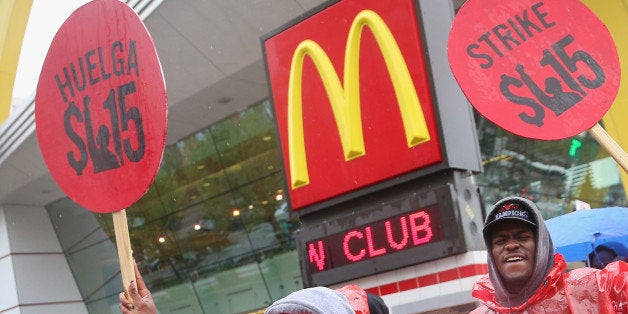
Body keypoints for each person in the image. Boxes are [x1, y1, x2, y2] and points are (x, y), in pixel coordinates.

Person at [471, 196, 628, 313]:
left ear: (541, 246)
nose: (511, 245)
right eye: (500, 240)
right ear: (491, 254)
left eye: (522, 237)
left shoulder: (591, 286)